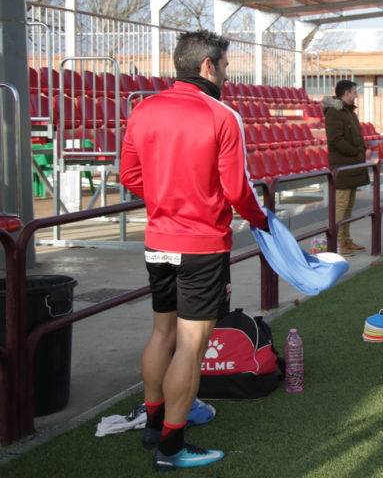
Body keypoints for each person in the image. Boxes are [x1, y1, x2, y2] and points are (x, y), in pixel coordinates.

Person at [120, 30, 268, 470]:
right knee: (190, 346)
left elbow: (129, 175)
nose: (228, 73)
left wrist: (168, 199)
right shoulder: (221, 115)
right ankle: (170, 446)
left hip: (158, 240)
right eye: (225, 65)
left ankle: (153, 423)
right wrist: (260, 221)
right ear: (208, 66)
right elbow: (237, 189)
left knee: (162, 333)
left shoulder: (143, 109)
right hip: (201, 244)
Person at [322, 79, 370, 256]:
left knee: (348, 206)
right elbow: (335, 140)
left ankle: (346, 240)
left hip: (352, 166)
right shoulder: (335, 113)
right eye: (354, 92)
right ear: (346, 93)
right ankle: (338, 243)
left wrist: (359, 152)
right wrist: (355, 151)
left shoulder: (348, 112)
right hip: (343, 166)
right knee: (341, 206)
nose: (357, 95)